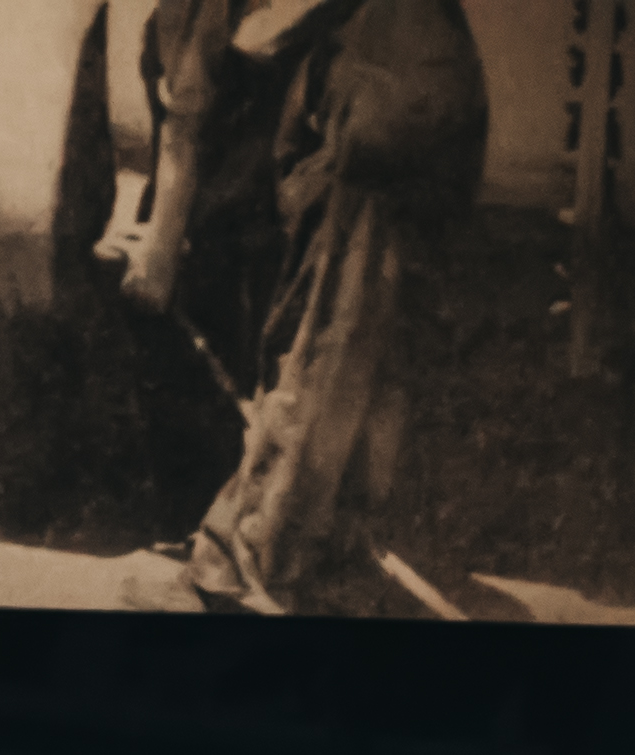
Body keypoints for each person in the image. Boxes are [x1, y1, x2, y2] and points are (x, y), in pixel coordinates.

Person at [131, 0, 491, 615]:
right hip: (421, 102)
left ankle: (246, 563)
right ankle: (323, 547)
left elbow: (249, 46)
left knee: (325, 342)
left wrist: (160, 254)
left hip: (385, 115)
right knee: (362, 351)